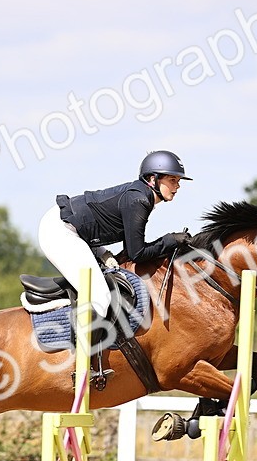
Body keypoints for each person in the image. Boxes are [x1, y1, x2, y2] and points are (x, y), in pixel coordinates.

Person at [37, 150, 193, 384]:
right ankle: (82, 367)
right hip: (61, 231)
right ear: (153, 179)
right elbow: (137, 253)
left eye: (178, 181)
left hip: (81, 234)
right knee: (98, 295)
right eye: (172, 180)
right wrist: (170, 240)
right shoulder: (138, 199)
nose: (177, 186)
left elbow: (129, 252)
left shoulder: (142, 196)